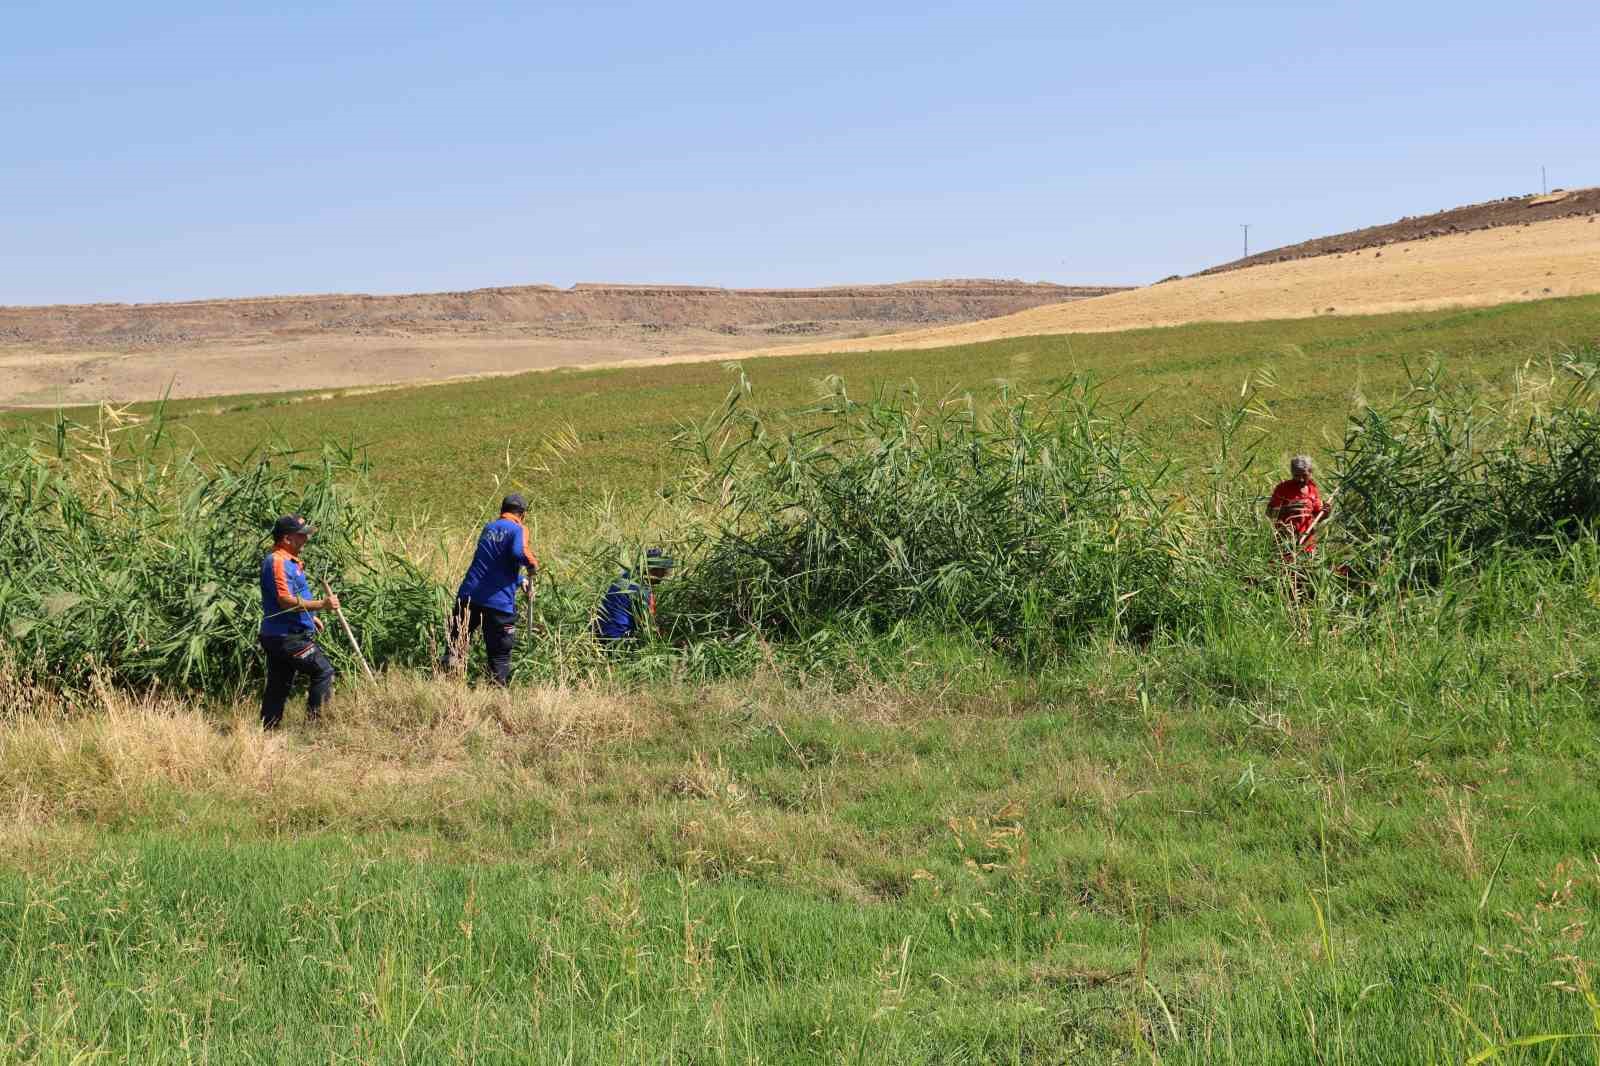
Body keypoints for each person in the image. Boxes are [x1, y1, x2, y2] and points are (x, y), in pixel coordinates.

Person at [441, 493, 540, 685]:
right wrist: (532, 564)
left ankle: (446, 688)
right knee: (500, 657)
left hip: (468, 597)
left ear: (501, 511)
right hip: (498, 603)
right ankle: (495, 697)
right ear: (523, 514)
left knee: (455, 648)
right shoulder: (518, 528)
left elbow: (490, 563)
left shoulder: (488, 528)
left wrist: (520, 580)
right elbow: (518, 552)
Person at [258, 514, 339, 730]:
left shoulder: (290, 562)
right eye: (301, 536)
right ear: (287, 538)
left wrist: (311, 617)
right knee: (322, 671)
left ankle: (268, 730)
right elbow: (284, 600)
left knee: (279, 683)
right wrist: (322, 604)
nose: (306, 540)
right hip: (287, 636)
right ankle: (315, 726)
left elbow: (293, 596)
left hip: (283, 634)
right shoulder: (277, 562)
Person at [595, 549, 674, 643]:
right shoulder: (642, 591)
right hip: (617, 639)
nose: (664, 575)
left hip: (599, 632)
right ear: (653, 569)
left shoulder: (626, 576)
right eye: (663, 570)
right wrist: (670, 641)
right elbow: (649, 628)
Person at [1267, 455, 1332, 557]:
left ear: (1311, 472)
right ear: (1292, 473)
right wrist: (1286, 510)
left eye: (1304, 475)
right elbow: (1269, 513)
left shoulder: (1312, 488)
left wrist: (1326, 513)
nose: (1301, 479)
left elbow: (1316, 517)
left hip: (1307, 543)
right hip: (1286, 542)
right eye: (1297, 475)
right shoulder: (1283, 488)